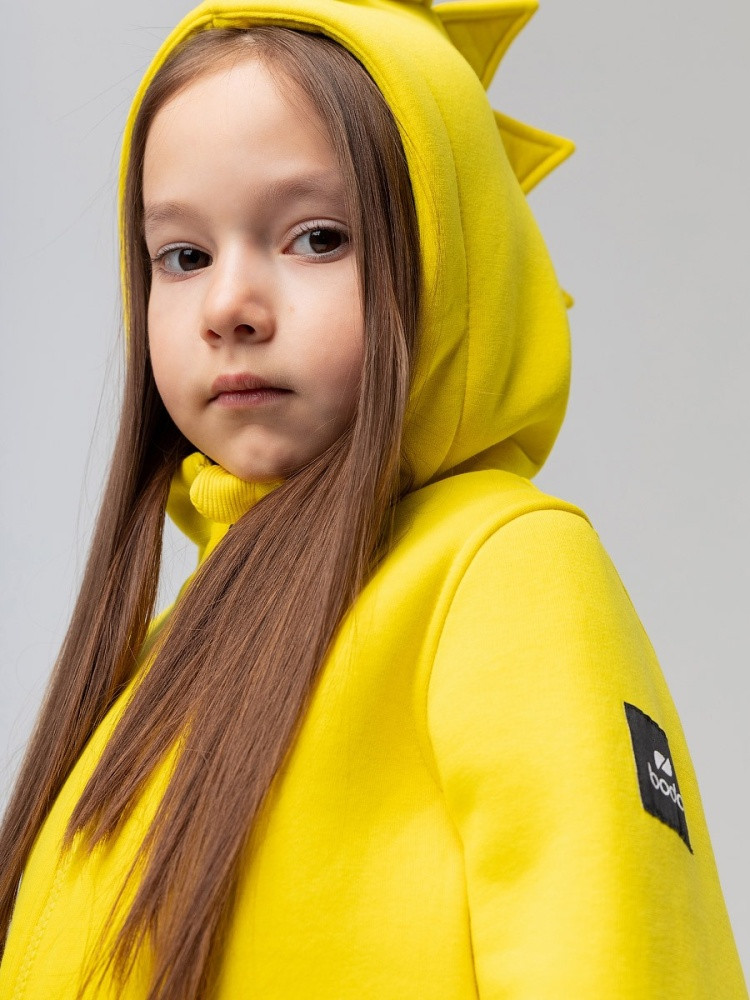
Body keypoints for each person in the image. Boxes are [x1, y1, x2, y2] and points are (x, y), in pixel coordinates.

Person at [0, 1, 746, 997]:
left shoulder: (503, 572)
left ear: (453, 258)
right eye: (183, 255)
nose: (227, 306)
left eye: (316, 237)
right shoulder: (165, 648)